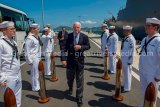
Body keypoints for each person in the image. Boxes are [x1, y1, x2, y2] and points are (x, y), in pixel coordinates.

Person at [61, 22, 90, 107]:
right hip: (70, 62)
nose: (76, 29)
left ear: (80, 28)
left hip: (80, 62)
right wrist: (63, 59)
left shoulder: (84, 37)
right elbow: (63, 48)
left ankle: (79, 97)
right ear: (72, 28)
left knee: (80, 81)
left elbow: (88, 46)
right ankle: (70, 87)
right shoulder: (68, 36)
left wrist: (81, 47)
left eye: (78, 27)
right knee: (69, 79)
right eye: (74, 27)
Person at [139, 17, 160, 107]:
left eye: (148, 26)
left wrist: (158, 75)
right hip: (143, 70)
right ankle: (144, 105)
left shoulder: (158, 41)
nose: (145, 27)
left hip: (152, 74)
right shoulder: (144, 39)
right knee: (144, 91)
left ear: (155, 28)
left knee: (152, 96)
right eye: (146, 25)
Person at [0, 21, 22, 107]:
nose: (14, 30)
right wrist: (1, 79)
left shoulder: (13, 42)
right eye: (11, 29)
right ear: (4, 31)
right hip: (8, 75)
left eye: (14, 28)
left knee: (18, 96)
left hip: (17, 73)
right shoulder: (1, 43)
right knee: (9, 99)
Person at [24, 23, 42, 91]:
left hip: (37, 57)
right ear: (33, 29)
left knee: (36, 72)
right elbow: (27, 50)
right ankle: (35, 87)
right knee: (34, 73)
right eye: (37, 29)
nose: (38, 30)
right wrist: (29, 60)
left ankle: (36, 85)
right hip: (33, 58)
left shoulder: (36, 36)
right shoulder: (29, 38)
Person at [121, 25, 136, 93]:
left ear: (128, 31)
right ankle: (124, 85)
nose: (123, 32)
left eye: (124, 30)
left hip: (128, 60)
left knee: (128, 74)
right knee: (124, 73)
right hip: (124, 58)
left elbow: (132, 51)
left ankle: (127, 88)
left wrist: (130, 61)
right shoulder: (125, 38)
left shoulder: (131, 39)